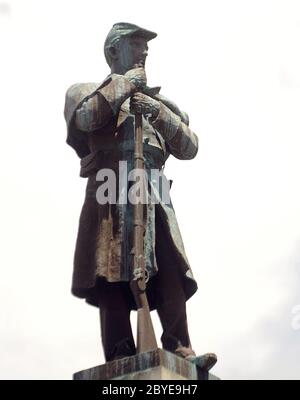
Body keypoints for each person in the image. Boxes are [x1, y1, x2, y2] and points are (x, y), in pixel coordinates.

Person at [64, 22, 212, 365]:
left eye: (146, 46)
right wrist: (126, 85)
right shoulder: (85, 90)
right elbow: (87, 119)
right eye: (136, 44)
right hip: (109, 190)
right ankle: (119, 354)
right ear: (114, 51)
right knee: (110, 269)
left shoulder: (161, 102)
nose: (144, 52)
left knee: (170, 268)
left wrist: (157, 112)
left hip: (154, 190)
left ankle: (180, 348)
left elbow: (189, 146)